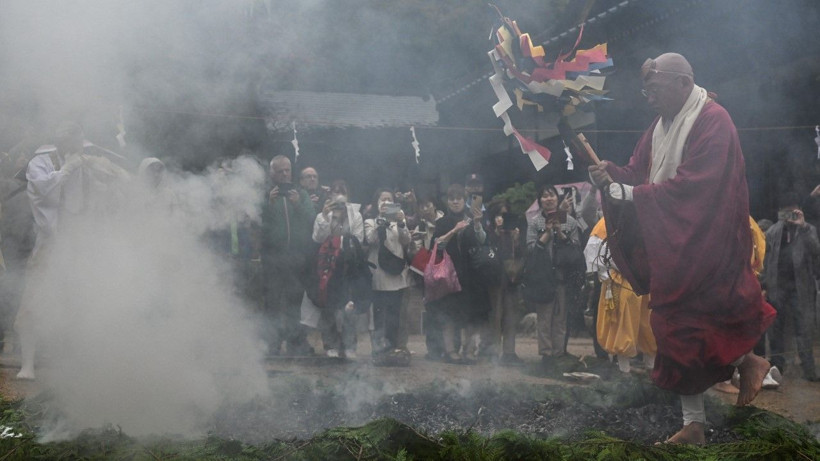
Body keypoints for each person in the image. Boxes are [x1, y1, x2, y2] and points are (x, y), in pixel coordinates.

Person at [588, 53, 776, 444]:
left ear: (683, 83)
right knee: (674, 328)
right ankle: (699, 419)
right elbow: (640, 174)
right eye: (646, 90)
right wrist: (612, 175)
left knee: (703, 319)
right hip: (677, 248)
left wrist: (628, 191)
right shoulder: (659, 128)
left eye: (653, 89)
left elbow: (697, 187)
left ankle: (742, 367)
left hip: (710, 244)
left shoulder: (714, 121)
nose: (648, 98)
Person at [16, 121, 130, 379]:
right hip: (50, 244)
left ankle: (77, 366)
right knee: (33, 302)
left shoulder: (86, 158)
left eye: (79, 139)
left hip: (81, 243)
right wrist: (66, 170)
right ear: (61, 140)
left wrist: (100, 171)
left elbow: (121, 180)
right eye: (72, 139)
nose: (78, 145)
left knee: (84, 302)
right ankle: (27, 365)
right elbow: (42, 191)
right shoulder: (41, 162)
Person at [260, 155, 316, 356]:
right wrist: (268, 203)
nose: (284, 174)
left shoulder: (301, 194)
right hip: (273, 258)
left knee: (295, 303)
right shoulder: (264, 195)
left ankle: (295, 343)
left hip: (296, 258)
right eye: (279, 171)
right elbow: (256, 223)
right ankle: (272, 344)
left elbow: (312, 220)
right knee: (272, 303)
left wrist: (298, 204)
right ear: (271, 173)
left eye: (287, 170)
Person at [427, 184, 490, 364]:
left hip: (472, 273)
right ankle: (450, 351)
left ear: (465, 201)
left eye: (459, 198)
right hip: (450, 273)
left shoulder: (472, 219)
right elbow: (437, 246)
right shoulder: (442, 222)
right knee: (450, 314)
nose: (455, 202)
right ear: (448, 202)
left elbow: (483, 241)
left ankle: (469, 350)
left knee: (472, 314)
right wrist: (454, 230)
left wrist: (477, 223)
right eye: (452, 198)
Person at [585, 217, 656, 373]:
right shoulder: (607, 223)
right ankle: (625, 370)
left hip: (645, 280)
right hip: (621, 280)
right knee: (623, 324)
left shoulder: (647, 216)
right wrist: (609, 275)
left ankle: (651, 367)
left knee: (649, 323)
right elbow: (594, 253)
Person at [762, 199, 820, 382]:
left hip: (801, 288)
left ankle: (809, 368)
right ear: (779, 213)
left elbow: (816, 251)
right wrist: (764, 286)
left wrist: (802, 227)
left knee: (804, 328)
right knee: (775, 329)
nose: (789, 216)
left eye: (793, 212)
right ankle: (777, 366)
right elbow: (765, 260)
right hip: (777, 287)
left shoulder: (808, 229)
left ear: (800, 212)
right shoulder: (772, 231)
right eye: (785, 212)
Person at [525, 184, 584, 361]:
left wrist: (560, 231)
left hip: (562, 277)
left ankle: (558, 353)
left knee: (560, 318)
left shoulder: (570, 222)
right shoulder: (534, 222)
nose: (548, 199)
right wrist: (547, 233)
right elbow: (529, 249)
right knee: (544, 318)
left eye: (551, 195)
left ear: (557, 199)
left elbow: (576, 250)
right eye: (544, 196)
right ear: (540, 201)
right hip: (542, 277)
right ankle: (546, 354)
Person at [311, 180, 366, 358]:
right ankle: (330, 344)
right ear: (330, 195)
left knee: (350, 306)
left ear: (348, 196)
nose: (339, 195)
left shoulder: (355, 215)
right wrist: (326, 217)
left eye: (342, 192)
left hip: (349, 265)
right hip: (328, 265)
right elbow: (318, 238)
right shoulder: (323, 214)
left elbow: (358, 239)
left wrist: (339, 241)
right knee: (329, 306)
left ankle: (349, 345)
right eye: (335, 192)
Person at [364, 188, 412, 364]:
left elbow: (406, 240)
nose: (385, 202)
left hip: (397, 273)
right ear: (376, 203)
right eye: (382, 199)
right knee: (379, 314)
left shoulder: (399, 219)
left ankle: (392, 348)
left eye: (389, 199)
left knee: (394, 314)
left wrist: (400, 223)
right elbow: (371, 239)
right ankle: (378, 349)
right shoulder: (371, 221)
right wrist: (381, 221)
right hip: (379, 274)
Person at [485, 199, 525, 364]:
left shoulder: (513, 233)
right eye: (498, 215)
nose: (501, 219)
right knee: (495, 315)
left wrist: (516, 240)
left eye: (504, 215)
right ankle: (493, 350)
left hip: (511, 278)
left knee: (510, 315)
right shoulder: (488, 232)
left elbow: (522, 253)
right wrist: (496, 233)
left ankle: (509, 352)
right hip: (494, 279)